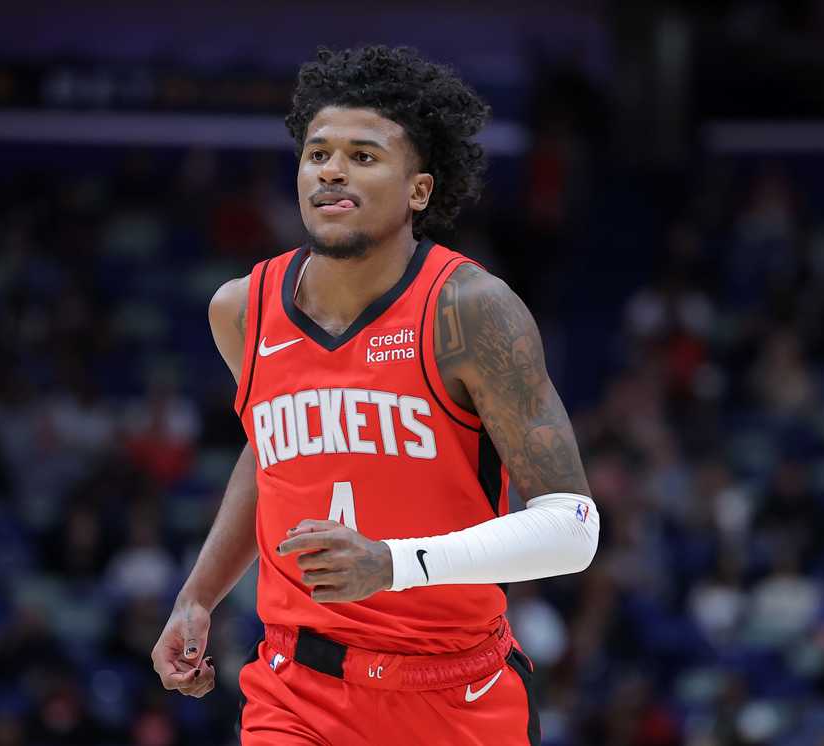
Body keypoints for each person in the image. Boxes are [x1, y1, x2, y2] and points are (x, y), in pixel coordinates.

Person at [151, 45, 601, 745]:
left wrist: (393, 563)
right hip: (296, 689)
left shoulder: (471, 310)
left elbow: (574, 527)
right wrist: (198, 595)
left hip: (454, 690)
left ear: (419, 190)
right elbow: (269, 452)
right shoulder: (242, 309)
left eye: (363, 156)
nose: (331, 168)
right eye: (318, 152)